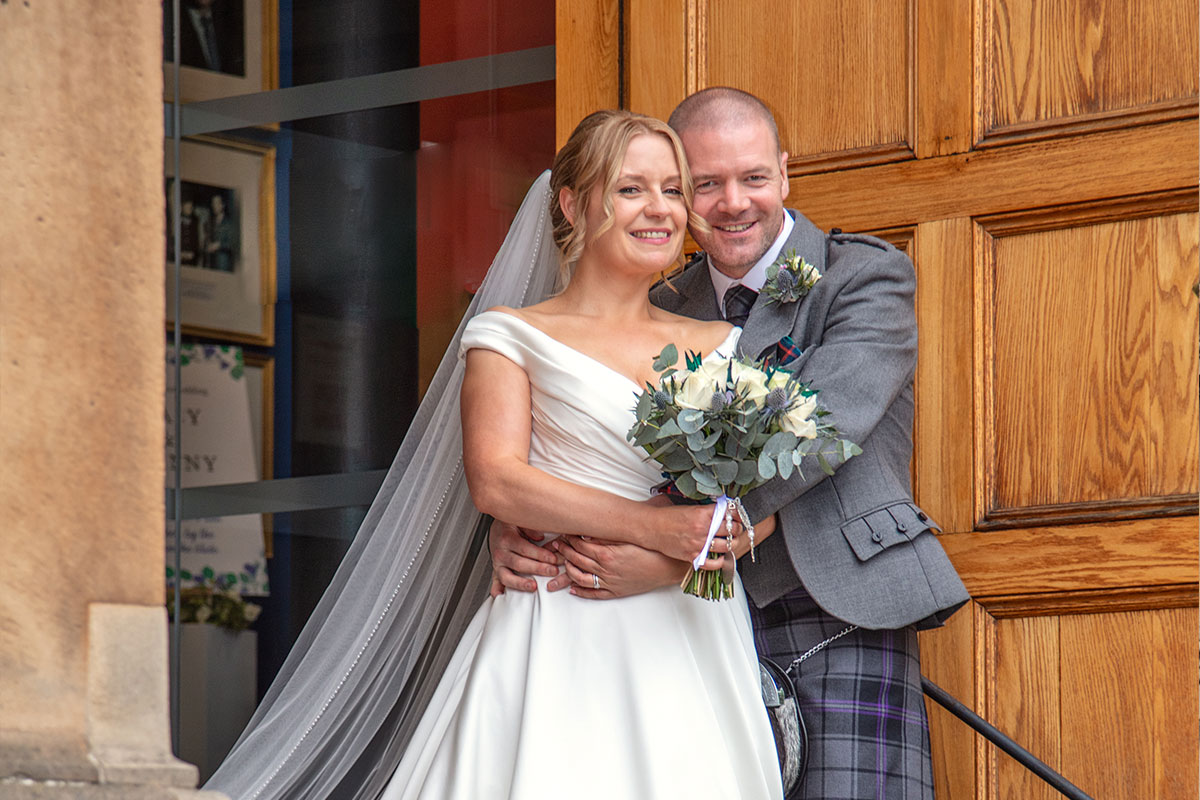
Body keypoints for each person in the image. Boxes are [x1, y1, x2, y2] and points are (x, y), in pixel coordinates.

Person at [205, 110, 784, 800]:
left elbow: (762, 496)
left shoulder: (722, 344)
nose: (659, 209)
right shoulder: (509, 334)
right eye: (631, 189)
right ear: (573, 203)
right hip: (560, 624)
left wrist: (698, 546)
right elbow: (498, 481)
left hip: (692, 629)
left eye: (672, 189)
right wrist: (656, 528)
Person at [490, 87, 970, 799]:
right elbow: (602, 445)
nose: (733, 203)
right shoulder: (657, 306)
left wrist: (672, 548)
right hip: (683, 627)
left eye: (752, 178)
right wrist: (530, 525)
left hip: (835, 608)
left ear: (785, 172)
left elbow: (821, 426)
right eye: (705, 185)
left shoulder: (862, 277)